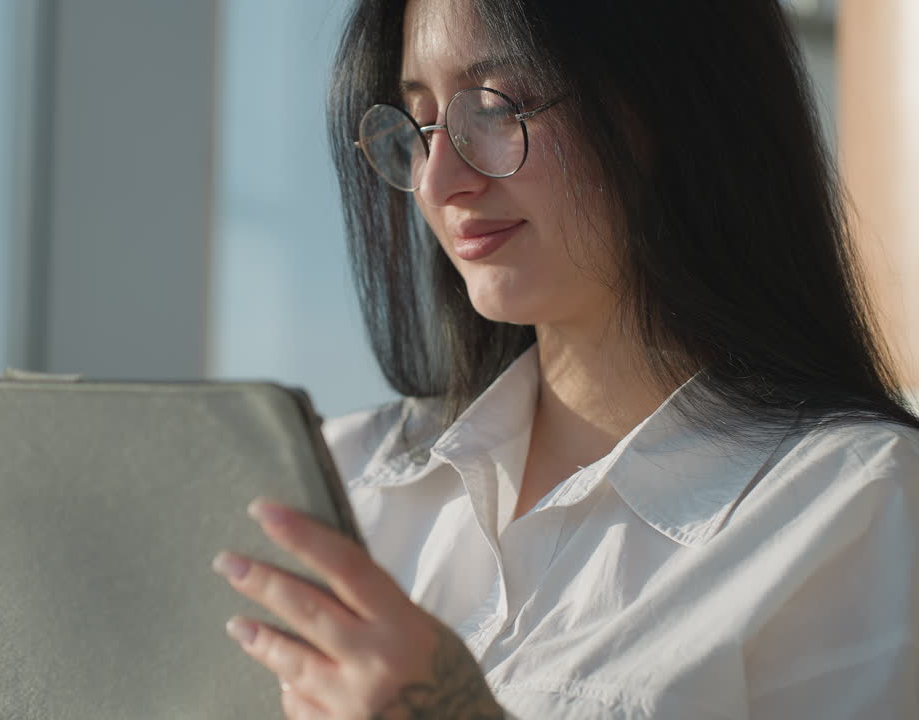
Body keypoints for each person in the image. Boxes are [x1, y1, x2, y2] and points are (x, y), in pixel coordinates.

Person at [211, 0, 919, 717]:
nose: (437, 179)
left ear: (672, 102)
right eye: (419, 121)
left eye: (495, 106)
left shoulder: (858, 502)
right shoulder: (345, 483)